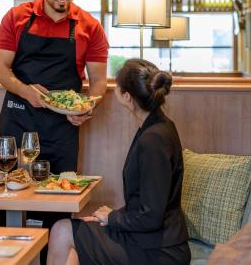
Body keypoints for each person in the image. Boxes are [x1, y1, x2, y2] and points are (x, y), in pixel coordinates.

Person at [47, 59, 191, 265]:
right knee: (67, 236)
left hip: (160, 250)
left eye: (117, 85)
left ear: (127, 96)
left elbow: (152, 216)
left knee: (62, 231)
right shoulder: (156, 126)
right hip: (150, 239)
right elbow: (147, 202)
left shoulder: (154, 139)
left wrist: (112, 219)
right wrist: (109, 217)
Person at [0, 0, 109, 177]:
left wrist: (88, 106)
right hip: (18, 118)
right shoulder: (17, 17)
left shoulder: (90, 26)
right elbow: (0, 69)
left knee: (58, 200)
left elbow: (99, 80)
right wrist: (26, 91)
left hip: (62, 127)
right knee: (10, 197)